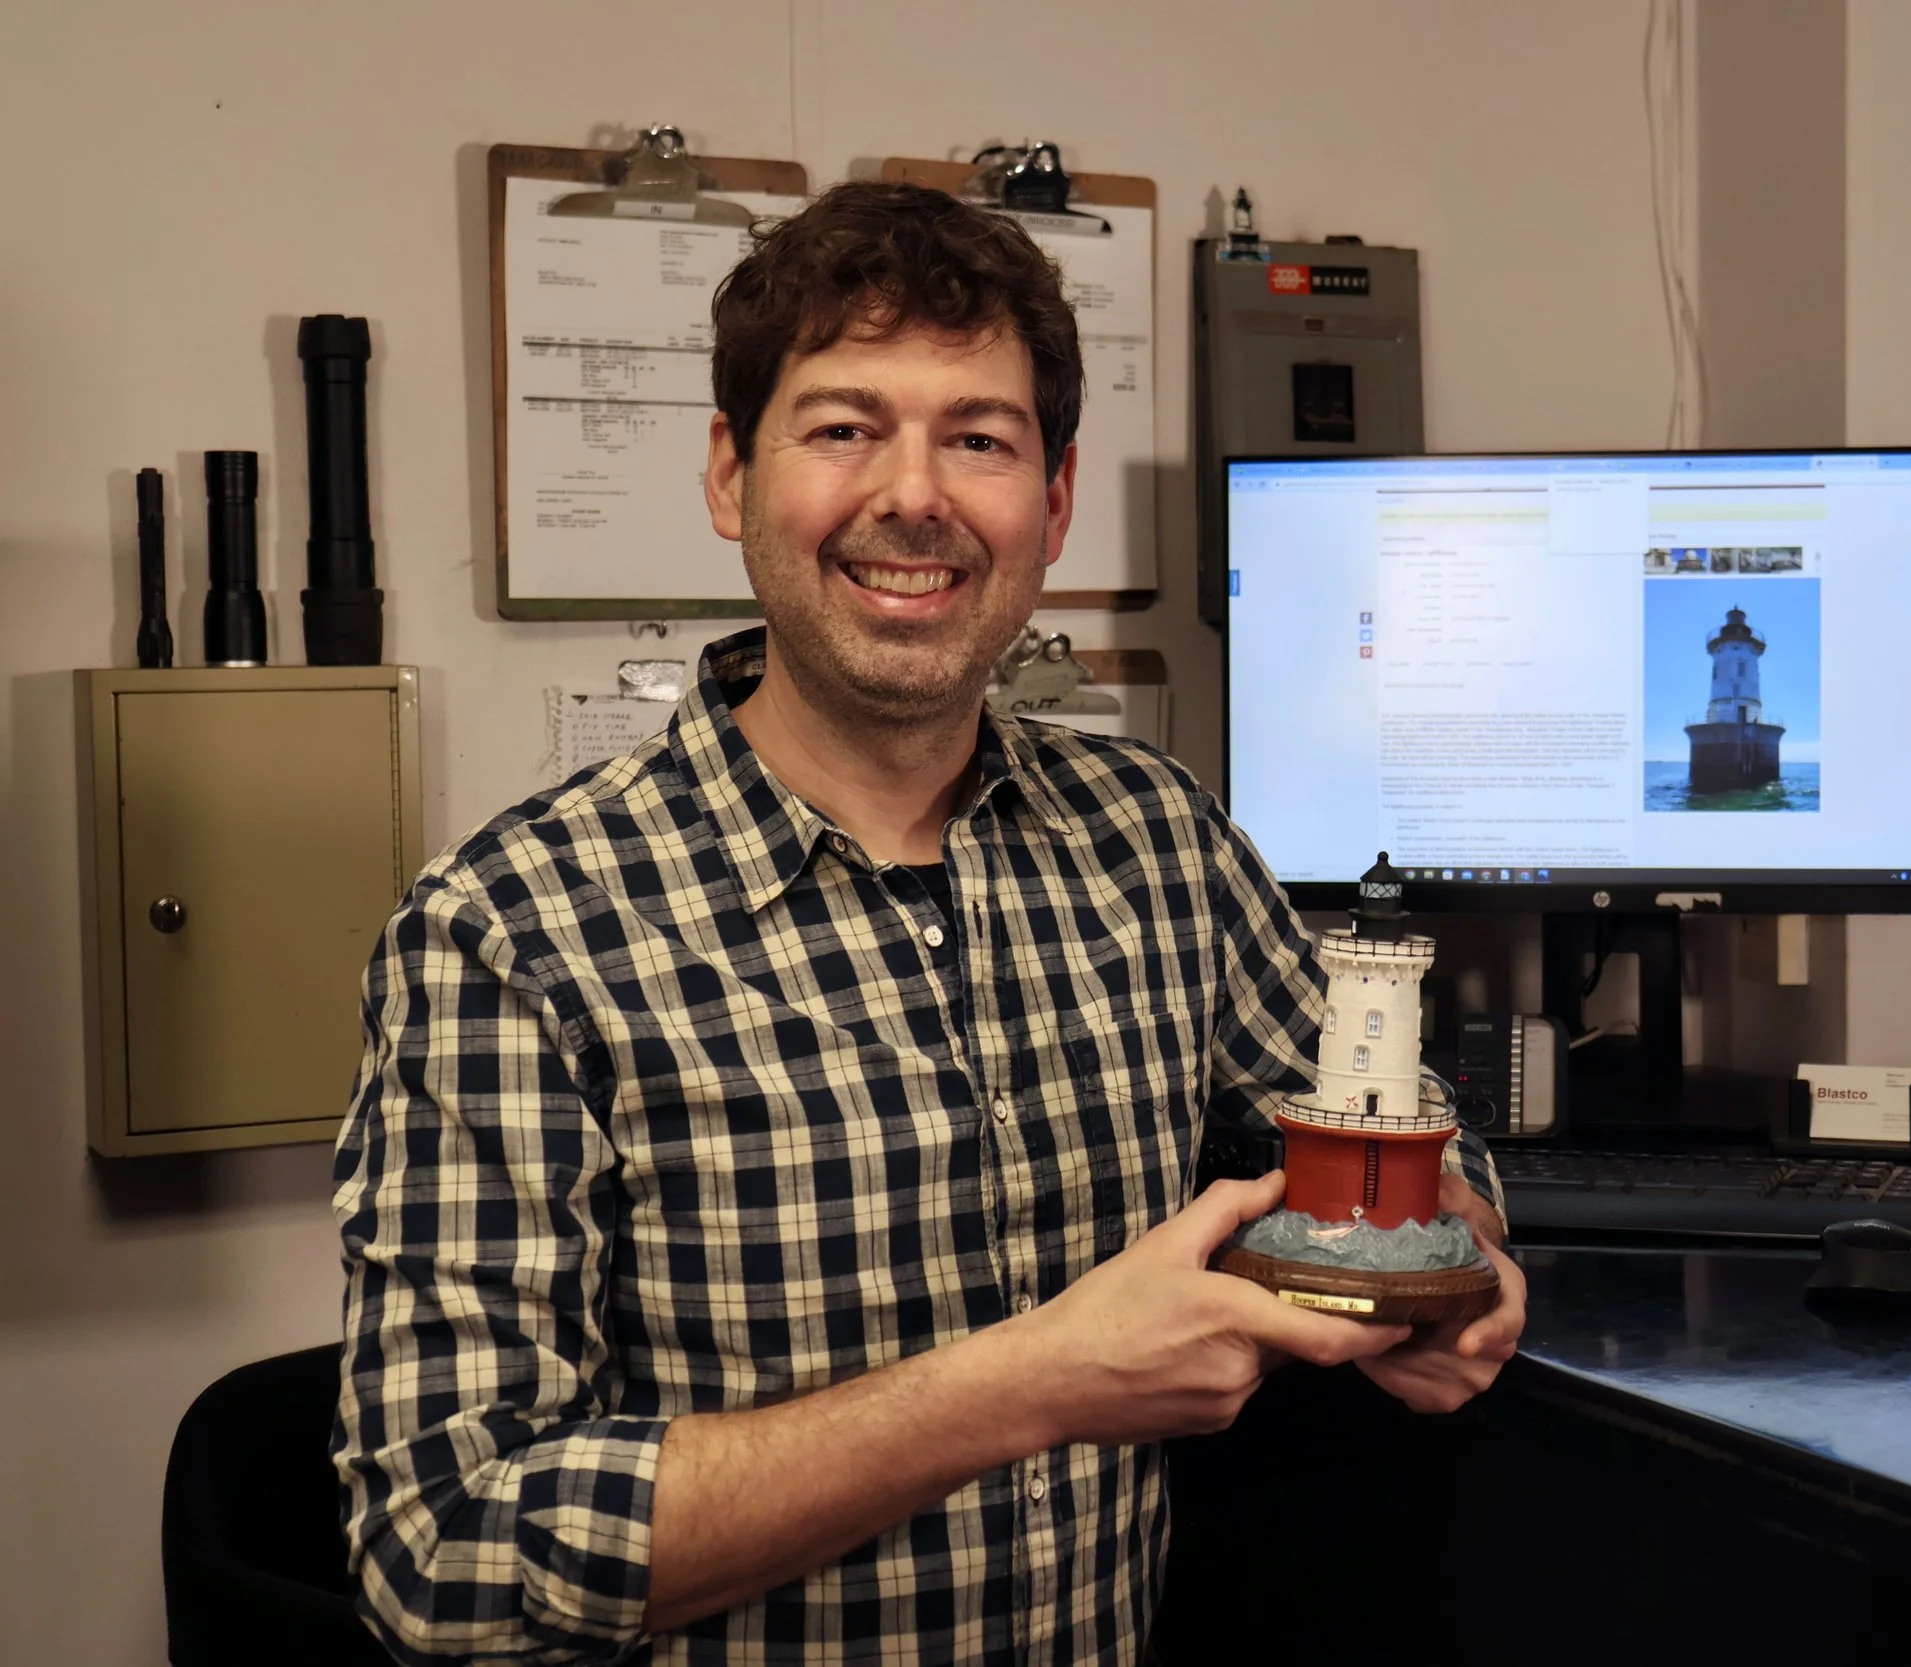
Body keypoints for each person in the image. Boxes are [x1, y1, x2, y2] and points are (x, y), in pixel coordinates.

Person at [331, 180, 1524, 1666]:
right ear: (729, 475)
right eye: (843, 428)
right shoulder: (511, 934)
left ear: (1054, 501)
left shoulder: (1156, 838)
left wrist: (1459, 1262)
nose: (915, 495)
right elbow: (446, 1554)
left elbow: (1400, 1134)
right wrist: (1026, 1381)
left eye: (979, 438)